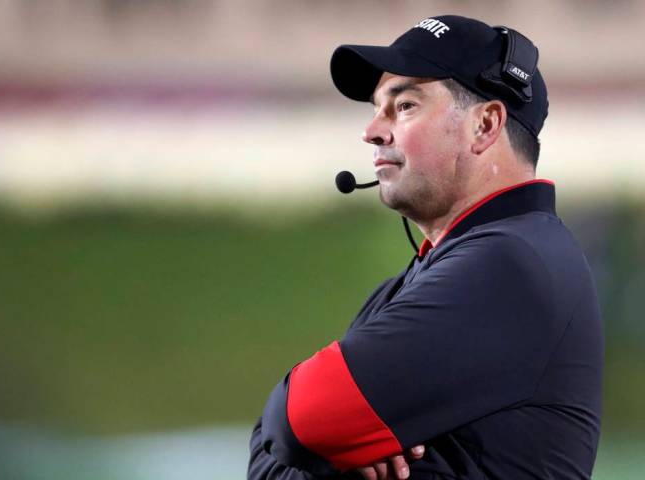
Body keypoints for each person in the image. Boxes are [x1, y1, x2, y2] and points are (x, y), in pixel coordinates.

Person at [248, 14, 602, 480]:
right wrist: (325, 449)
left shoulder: (511, 264)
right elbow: (266, 456)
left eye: (405, 106)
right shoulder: (423, 278)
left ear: (486, 124)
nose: (372, 131)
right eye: (376, 108)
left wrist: (326, 446)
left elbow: (296, 421)